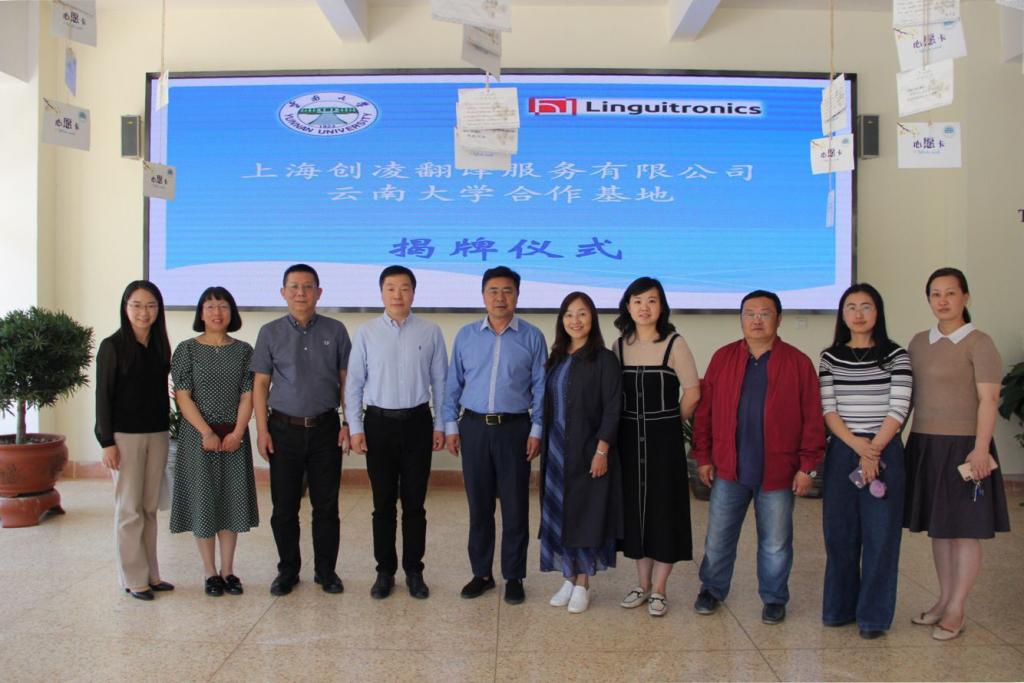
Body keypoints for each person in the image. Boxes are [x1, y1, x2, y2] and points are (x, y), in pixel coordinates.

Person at [691, 289, 825, 625]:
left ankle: (774, 598)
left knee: (775, 543)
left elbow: (813, 418)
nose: (756, 320)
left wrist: (807, 467)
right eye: (749, 314)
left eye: (765, 314)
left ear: (779, 319)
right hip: (729, 469)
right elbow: (705, 413)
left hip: (778, 471)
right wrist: (703, 457)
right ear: (741, 319)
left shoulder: (798, 363)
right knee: (718, 538)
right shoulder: (723, 358)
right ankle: (712, 589)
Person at [904, 267, 1010, 641]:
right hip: (925, 445)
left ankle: (957, 609)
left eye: (951, 293)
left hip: (965, 447)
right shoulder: (919, 342)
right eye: (935, 294)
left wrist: (980, 449)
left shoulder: (980, 342)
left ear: (965, 297)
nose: (943, 301)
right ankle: (943, 600)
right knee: (940, 530)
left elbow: (989, 400)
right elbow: (908, 397)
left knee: (964, 532)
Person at [443, 266, 547, 605]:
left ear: (517, 295)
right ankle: (482, 574)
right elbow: (453, 384)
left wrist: (537, 429)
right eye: (493, 290)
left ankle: (514, 576)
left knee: (515, 507)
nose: (500, 297)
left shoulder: (532, 337)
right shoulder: (466, 335)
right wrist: (450, 425)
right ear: (483, 295)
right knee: (480, 507)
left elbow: (541, 388)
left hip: (515, 429)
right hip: (473, 428)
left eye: (507, 291)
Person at [347, 265, 447, 600]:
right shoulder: (367, 332)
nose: (397, 294)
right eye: (391, 288)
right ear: (381, 293)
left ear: (413, 293)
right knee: (383, 504)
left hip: (418, 422)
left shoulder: (430, 331)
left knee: (415, 504)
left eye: (404, 288)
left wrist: (441, 424)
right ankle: (385, 571)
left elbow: (441, 383)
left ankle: (414, 571)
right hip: (379, 424)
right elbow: (354, 384)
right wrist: (356, 428)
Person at [252, 264, 352, 597]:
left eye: (308, 287)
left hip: (326, 429)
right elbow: (260, 384)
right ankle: (287, 571)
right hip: (283, 430)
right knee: (284, 508)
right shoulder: (269, 332)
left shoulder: (336, 330)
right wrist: (262, 430)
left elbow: (346, 381)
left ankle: (326, 571)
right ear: (283, 292)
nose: (300, 293)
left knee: (326, 506)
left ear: (319, 293)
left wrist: (349, 423)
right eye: (294, 287)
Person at [818, 284, 912, 639]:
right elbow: (829, 410)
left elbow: (899, 406)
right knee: (839, 535)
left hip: (885, 449)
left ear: (878, 312)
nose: (858, 314)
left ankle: (873, 618)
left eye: (866, 306)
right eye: (851, 307)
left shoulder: (897, 355)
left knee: (881, 536)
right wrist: (858, 446)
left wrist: (873, 449)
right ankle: (839, 609)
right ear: (842, 315)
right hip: (844, 448)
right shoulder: (830, 357)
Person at [613, 277, 700, 617]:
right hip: (628, 440)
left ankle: (660, 589)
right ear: (628, 306)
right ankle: (642, 583)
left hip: (664, 441)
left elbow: (692, 392)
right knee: (636, 511)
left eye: (651, 300)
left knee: (664, 511)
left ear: (661, 306)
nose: (644, 307)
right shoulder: (619, 346)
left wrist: (669, 422)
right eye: (637, 301)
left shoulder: (675, 343)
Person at [170, 286, 260, 597]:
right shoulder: (186, 350)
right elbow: (183, 396)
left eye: (222, 306)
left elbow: (248, 395)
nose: (216, 313)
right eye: (209, 307)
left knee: (231, 500)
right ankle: (209, 572)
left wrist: (237, 432)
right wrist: (205, 432)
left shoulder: (244, 350)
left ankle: (228, 570)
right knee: (204, 500)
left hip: (234, 437)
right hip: (198, 438)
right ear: (201, 313)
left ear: (232, 312)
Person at [539, 292, 622, 614]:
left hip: (589, 450)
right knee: (561, 514)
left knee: (586, 516)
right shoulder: (557, 357)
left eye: (582, 313)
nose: (576, 320)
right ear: (562, 320)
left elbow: (613, 409)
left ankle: (583, 583)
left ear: (593, 319)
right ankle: (568, 577)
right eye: (569, 314)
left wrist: (602, 450)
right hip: (556, 450)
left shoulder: (604, 359)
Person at [95, 280, 174, 601]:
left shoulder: (160, 345)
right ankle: (133, 579)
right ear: (125, 308)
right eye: (137, 305)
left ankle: (152, 574)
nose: (144, 312)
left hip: (157, 434)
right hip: (124, 437)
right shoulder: (112, 346)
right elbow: (103, 397)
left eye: (151, 305)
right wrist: (106, 442)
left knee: (149, 508)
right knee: (129, 509)